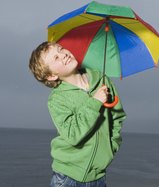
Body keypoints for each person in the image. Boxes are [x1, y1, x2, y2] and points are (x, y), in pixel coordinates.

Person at [29, 41, 126, 187]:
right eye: (55, 58)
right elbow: (73, 134)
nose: (63, 54)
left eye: (60, 49)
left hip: (98, 176)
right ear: (51, 76)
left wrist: (112, 145)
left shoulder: (102, 80)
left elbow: (117, 115)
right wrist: (95, 102)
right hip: (68, 177)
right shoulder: (57, 99)